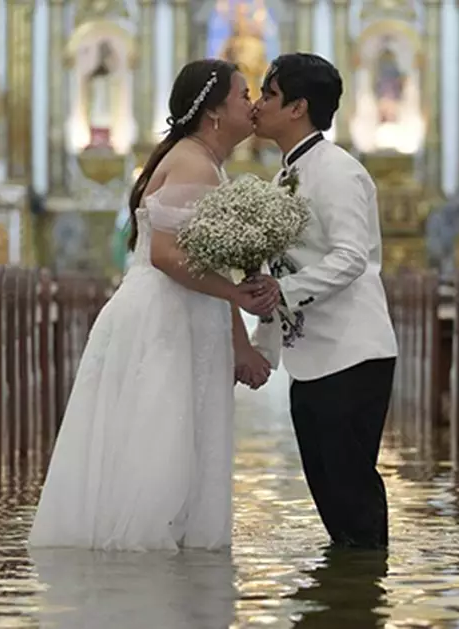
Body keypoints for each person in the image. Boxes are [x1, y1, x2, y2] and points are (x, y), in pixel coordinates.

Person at [29, 59, 279, 552]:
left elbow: (210, 262)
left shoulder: (204, 161)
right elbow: (166, 255)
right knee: (158, 438)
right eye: (242, 95)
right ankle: (147, 577)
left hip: (184, 311)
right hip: (164, 315)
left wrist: (237, 338)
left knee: (176, 436)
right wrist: (235, 297)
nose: (250, 106)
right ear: (213, 112)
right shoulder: (191, 161)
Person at [249, 53, 399, 549]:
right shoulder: (284, 177)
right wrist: (263, 350)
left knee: (353, 498)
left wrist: (282, 292)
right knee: (331, 503)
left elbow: (352, 257)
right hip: (310, 360)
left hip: (353, 354)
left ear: (298, 107)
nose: (258, 105)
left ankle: (365, 598)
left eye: (268, 95)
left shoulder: (338, 171)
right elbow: (278, 270)